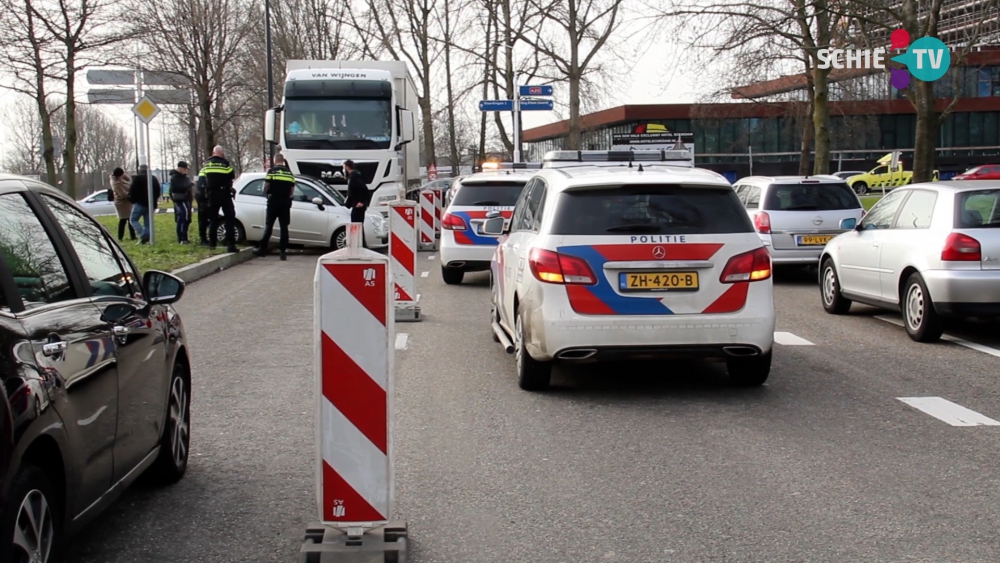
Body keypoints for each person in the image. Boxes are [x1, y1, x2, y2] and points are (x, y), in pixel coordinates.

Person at [254, 153, 295, 261]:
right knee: (284, 228)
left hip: (273, 202)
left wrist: (267, 193)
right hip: (285, 203)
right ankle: (282, 252)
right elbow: (292, 190)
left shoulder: (271, 171)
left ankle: (262, 250)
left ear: (275, 160)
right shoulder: (289, 174)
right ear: (283, 161)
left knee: (269, 226)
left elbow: (266, 187)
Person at [198, 145, 238, 253]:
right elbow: (232, 176)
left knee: (213, 220)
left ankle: (212, 244)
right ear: (222, 153)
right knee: (230, 218)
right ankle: (231, 245)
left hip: (211, 194)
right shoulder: (226, 164)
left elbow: (202, 179)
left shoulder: (206, 164)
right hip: (224, 193)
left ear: (213, 152)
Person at [128, 164, 159, 244]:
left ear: (139, 170)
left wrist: (132, 200)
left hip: (140, 203)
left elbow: (132, 191)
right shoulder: (153, 178)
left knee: (133, 219)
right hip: (151, 204)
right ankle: (147, 236)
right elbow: (158, 191)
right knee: (148, 222)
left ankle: (143, 235)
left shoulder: (137, 178)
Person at [169, 161, 194, 244]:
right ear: (180, 168)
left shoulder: (181, 177)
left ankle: (182, 237)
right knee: (184, 217)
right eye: (184, 169)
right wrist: (190, 184)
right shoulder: (175, 177)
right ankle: (183, 237)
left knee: (181, 218)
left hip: (183, 198)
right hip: (181, 199)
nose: (185, 171)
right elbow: (178, 188)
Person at [110, 167, 135, 241]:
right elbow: (123, 194)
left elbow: (129, 179)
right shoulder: (116, 183)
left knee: (129, 219)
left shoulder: (121, 179)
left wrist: (124, 174)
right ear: (120, 175)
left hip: (127, 203)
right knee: (124, 220)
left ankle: (132, 236)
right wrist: (131, 193)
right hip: (122, 203)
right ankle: (121, 236)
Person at [195, 172, 210, 245]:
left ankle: (204, 238)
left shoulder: (204, 170)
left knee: (204, 220)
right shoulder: (205, 172)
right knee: (203, 220)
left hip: (204, 198)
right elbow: (200, 187)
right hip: (203, 199)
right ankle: (203, 238)